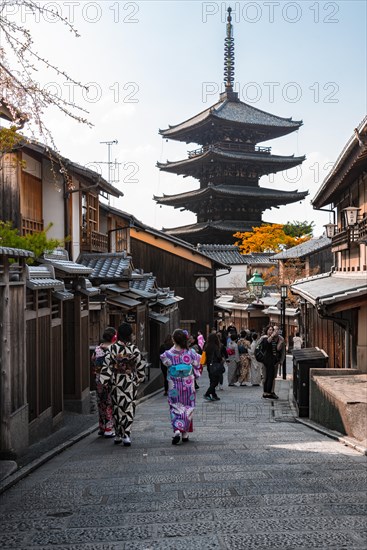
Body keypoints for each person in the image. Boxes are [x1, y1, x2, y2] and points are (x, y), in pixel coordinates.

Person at [100, 322, 145, 446]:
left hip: (115, 380)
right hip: (129, 381)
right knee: (128, 407)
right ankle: (126, 434)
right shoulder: (134, 349)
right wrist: (138, 378)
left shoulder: (112, 348)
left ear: (118, 334)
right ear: (130, 335)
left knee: (116, 406)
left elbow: (107, 364)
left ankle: (118, 434)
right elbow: (141, 365)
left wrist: (104, 380)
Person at [160, 328, 202, 445]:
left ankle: (178, 430)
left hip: (174, 384)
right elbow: (198, 362)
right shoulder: (191, 353)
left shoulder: (168, 354)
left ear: (173, 339)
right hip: (188, 384)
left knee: (175, 406)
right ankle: (185, 433)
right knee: (188, 406)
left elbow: (165, 362)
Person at [93, 326, 117, 438]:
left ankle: (102, 427)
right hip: (109, 379)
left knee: (101, 403)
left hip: (98, 379)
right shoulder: (113, 349)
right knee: (109, 403)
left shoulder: (97, 349)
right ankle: (108, 428)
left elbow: (93, 360)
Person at [259, 324, 285, 400]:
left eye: (275, 330)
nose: (274, 331)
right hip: (265, 360)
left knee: (272, 377)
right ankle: (266, 392)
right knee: (265, 377)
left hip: (274, 361)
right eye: (271, 330)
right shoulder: (265, 338)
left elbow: (280, 350)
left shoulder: (280, 338)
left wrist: (281, 360)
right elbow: (263, 345)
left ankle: (270, 392)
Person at [202, 332, 226, 401]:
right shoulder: (215, 346)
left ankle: (214, 395)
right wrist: (222, 359)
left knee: (212, 380)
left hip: (209, 365)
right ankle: (207, 393)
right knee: (215, 381)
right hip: (215, 365)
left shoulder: (206, 346)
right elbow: (218, 356)